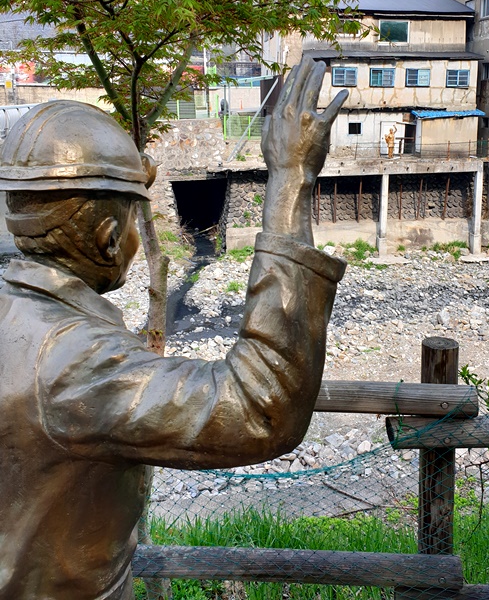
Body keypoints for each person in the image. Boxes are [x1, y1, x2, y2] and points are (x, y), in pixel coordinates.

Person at [0, 59, 347, 600]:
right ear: (109, 239)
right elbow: (260, 407)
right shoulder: (72, 361)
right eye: (131, 225)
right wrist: (291, 180)